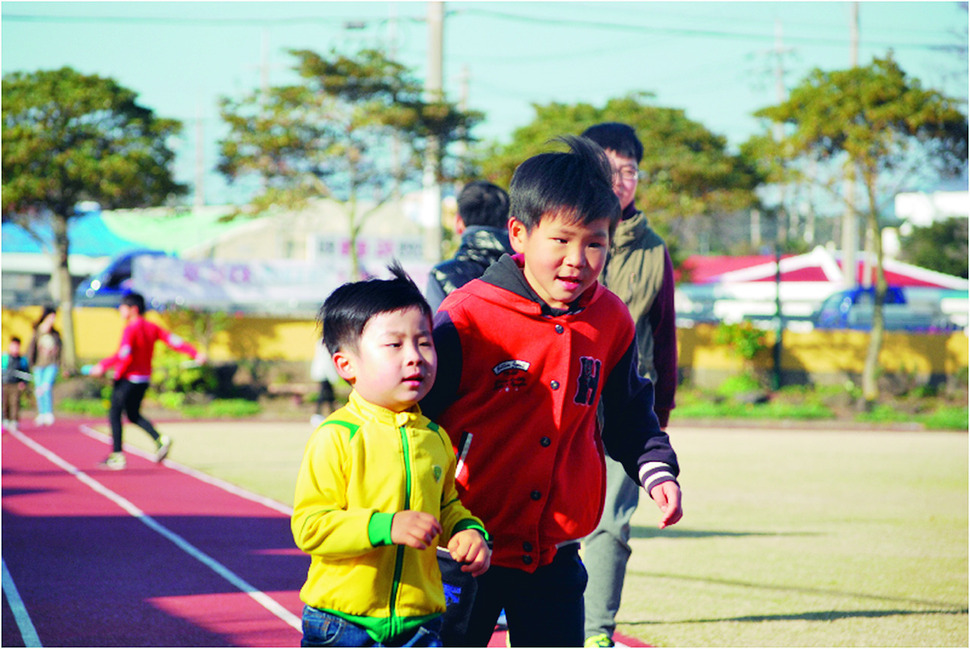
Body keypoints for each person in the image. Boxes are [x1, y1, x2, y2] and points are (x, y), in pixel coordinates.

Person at [420, 135, 683, 647]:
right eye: (561, 241)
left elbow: (629, 412)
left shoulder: (610, 318)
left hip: (555, 551)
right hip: (466, 547)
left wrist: (657, 470)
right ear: (518, 234)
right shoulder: (468, 315)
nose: (577, 260)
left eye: (595, 243)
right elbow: (419, 420)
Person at [291, 262, 492, 647]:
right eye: (394, 345)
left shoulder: (434, 437)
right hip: (343, 624)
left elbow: (447, 504)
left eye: (424, 341)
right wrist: (385, 526)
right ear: (346, 365)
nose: (415, 356)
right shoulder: (337, 437)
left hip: (421, 623)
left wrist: (468, 530)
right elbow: (310, 526)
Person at [580, 122, 679, 647]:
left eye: (630, 170)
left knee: (611, 525)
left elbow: (663, 337)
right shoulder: (561, 235)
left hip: (622, 407)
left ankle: (596, 631)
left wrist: (658, 417)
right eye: (609, 167)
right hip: (562, 404)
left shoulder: (653, 250)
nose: (620, 180)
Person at [89, 292, 205, 470]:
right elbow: (173, 340)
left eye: (123, 307)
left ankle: (117, 455)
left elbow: (124, 355)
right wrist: (195, 353)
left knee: (115, 413)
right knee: (133, 414)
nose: (120, 310)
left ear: (133, 309)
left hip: (128, 379)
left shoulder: (131, 328)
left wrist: (103, 366)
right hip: (143, 380)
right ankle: (160, 439)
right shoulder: (152, 327)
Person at [425, 181, 513, 312]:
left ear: (458, 222)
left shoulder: (441, 276)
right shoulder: (526, 272)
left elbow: (437, 328)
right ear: (508, 224)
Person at [27, 305, 62, 426]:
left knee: (46, 386)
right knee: (39, 389)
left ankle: (48, 412)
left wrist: (61, 364)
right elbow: (31, 348)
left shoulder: (55, 334)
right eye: (51, 318)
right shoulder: (37, 331)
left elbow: (61, 350)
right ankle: (41, 413)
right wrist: (29, 363)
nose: (52, 321)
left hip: (51, 364)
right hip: (38, 364)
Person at [2, 337, 31, 432]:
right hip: (5, 383)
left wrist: (23, 382)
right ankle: (5, 419)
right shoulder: (5, 358)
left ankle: (14, 420)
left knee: (14, 402)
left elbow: (26, 372)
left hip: (16, 384)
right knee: (4, 402)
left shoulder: (22, 360)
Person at [309, 337, 340, 427]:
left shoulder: (321, 342)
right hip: (324, 373)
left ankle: (332, 413)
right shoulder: (326, 343)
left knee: (328, 395)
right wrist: (334, 376)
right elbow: (327, 362)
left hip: (322, 372)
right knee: (324, 395)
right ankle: (322, 414)